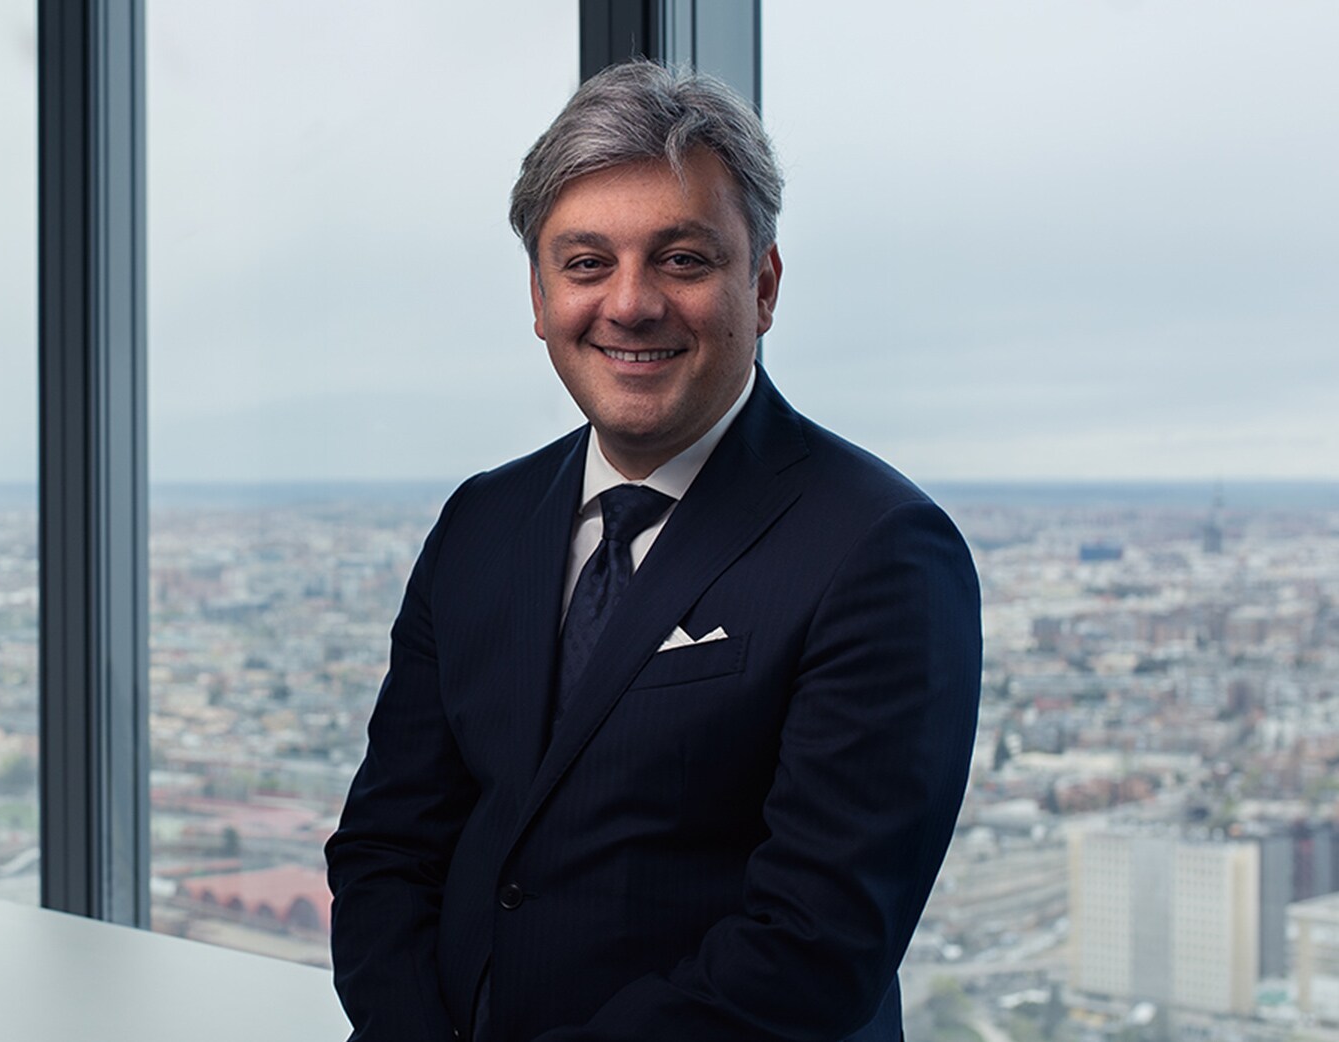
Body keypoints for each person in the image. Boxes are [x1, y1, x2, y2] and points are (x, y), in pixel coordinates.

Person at [326, 61, 981, 1042]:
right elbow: (388, 847)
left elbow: (812, 947)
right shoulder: (481, 521)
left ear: (760, 286)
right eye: (586, 262)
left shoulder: (880, 551)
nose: (629, 305)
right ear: (540, 297)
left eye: (681, 259)